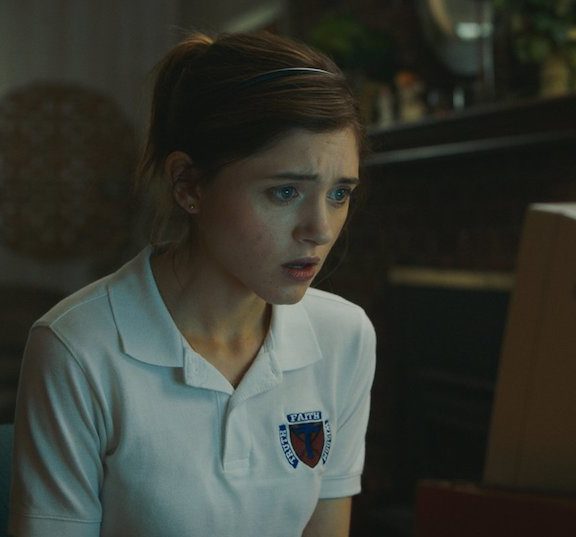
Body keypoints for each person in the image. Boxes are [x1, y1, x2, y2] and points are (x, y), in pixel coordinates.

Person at [9, 30, 376, 537]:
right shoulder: (78, 347)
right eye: (285, 192)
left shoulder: (343, 336)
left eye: (339, 194)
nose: (321, 229)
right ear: (188, 184)